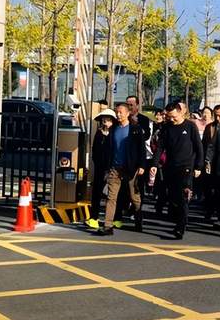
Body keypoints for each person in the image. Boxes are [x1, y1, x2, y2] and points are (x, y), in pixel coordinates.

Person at [150, 102, 204, 239]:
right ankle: (177, 219)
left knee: (183, 197)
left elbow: (198, 147)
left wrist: (199, 166)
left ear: (181, 112)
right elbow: (160, 147)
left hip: (186, 167)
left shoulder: (190, 126)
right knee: (173, 197)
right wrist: (154, 164)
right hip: (170, 167)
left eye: (174, 116)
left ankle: (180, 227)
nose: (172, 119)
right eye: (169, 117)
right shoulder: (166, 127)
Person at [98, 103, 146, 236]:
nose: (118, 115)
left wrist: (142, 165)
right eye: (117, 112)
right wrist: (107, 167)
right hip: (115, 168)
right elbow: (109, 149)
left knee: (134, 197)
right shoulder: (113, 129)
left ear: (127, 113)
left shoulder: (135, 129)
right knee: (111, 197)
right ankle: (108, 225)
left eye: (121, 112)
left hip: (131, 168)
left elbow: (141, 149)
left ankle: (138, 219)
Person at [87, 109, 116, 229]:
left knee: (113, 194)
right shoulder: (98, 133)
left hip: (113, 167)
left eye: (108, 119)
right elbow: (94, 150)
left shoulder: (115, 133)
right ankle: (94, 218)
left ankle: (114, 218)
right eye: (104, 119)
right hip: (100, 167)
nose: (105, 122)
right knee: (96, 192)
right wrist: (97, 162)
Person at [203, 105, 220, 223]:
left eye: (219, 115)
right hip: (212, 163)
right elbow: (206, 145)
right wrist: (206, 161)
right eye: (215, 115)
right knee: (209, 189)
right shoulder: (210, 127)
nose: (218, 118)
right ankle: (209, 210)